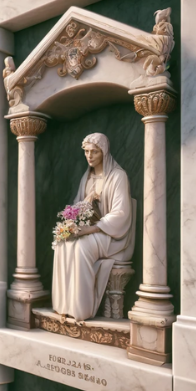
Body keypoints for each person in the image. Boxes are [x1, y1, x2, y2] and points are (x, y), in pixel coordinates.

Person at [52, 133, 135, 321]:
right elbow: (77, 206)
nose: (89, 156)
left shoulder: (117, 176)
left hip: (113, 235)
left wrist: (90, 229)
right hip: (90, 230)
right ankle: (64, 305)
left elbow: (121, 214)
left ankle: (82, 310)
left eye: (94, 152)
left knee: (80, 247)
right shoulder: (87, 177)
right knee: (62, 243)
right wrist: (73, 223)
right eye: (86, 151)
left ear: (104, 152)